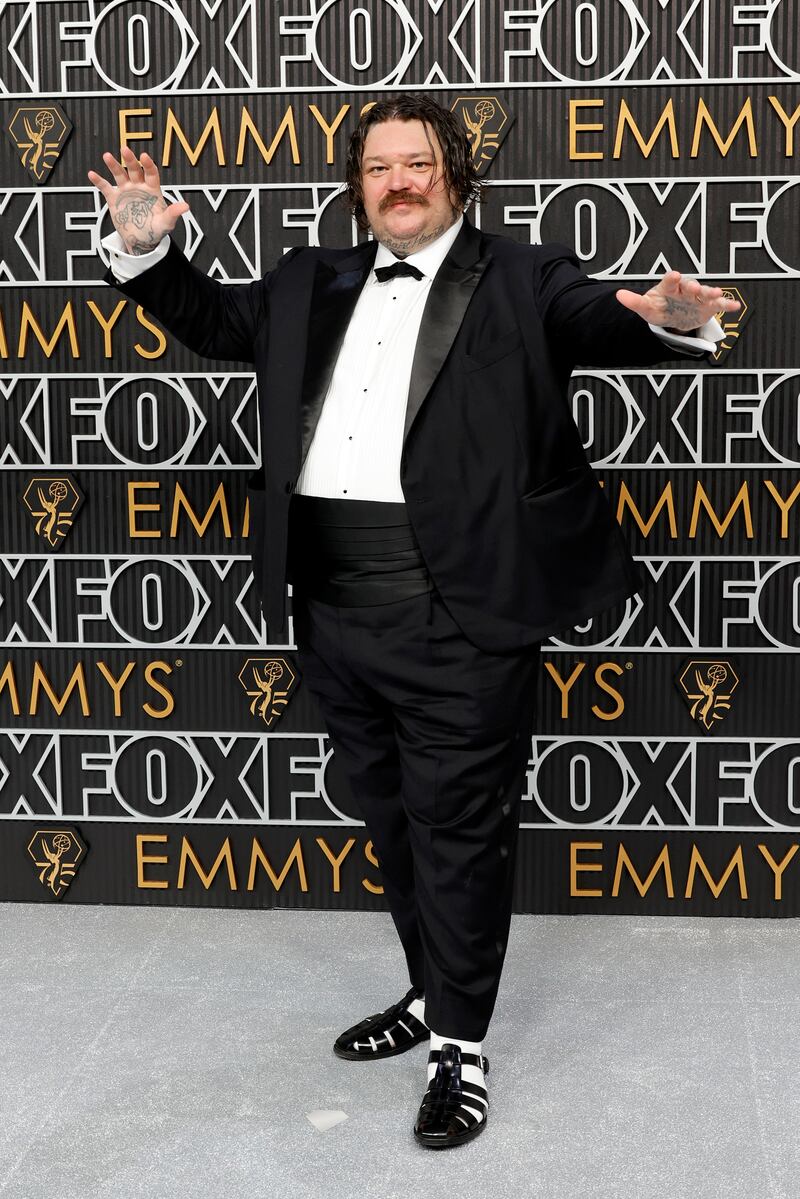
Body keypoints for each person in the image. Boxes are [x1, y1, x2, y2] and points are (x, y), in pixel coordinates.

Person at [89, 95, 738, 1149]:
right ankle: (428, 992)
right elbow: (214, 326)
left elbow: (599, 317)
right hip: (333, 611)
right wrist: (142, 250)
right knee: (388, 819)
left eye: (419, 163)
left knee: (458, 834)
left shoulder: (524, 277)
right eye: (380, 166)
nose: (399, 181)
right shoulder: (310, 276)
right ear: (357, 183)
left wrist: (665, 315)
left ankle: (459, 1048)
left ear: (456, 174)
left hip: (459, 616)